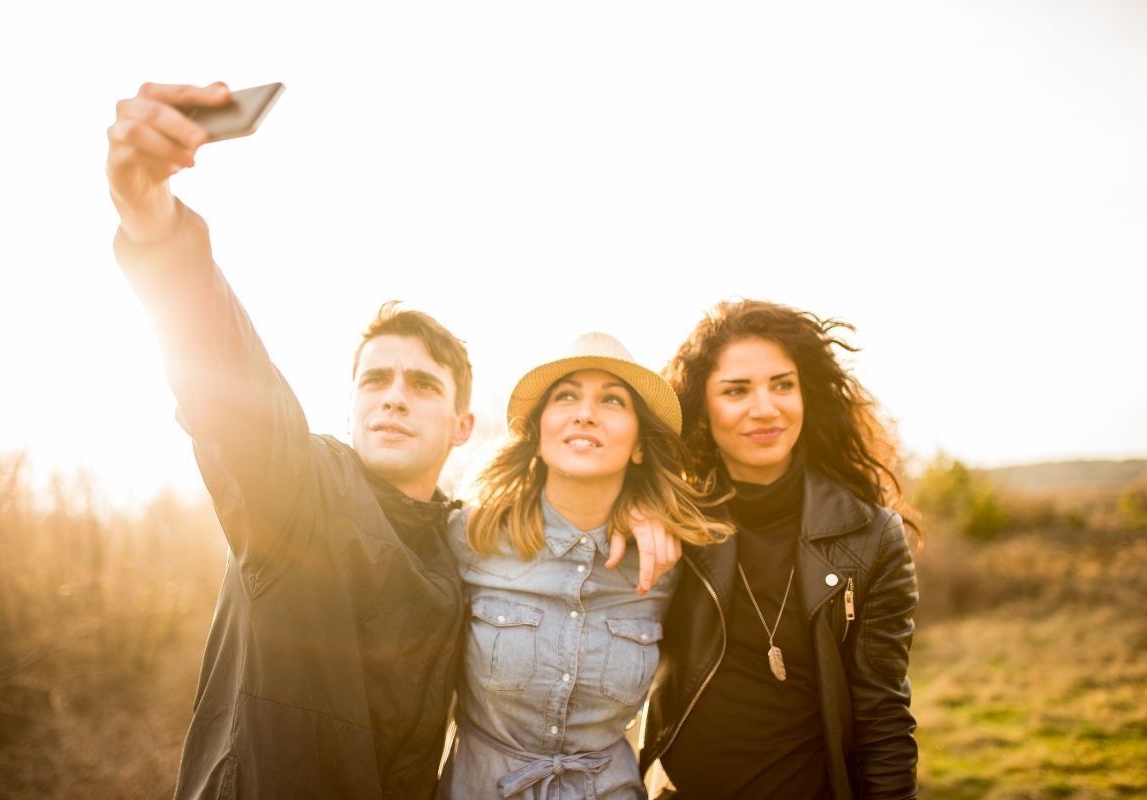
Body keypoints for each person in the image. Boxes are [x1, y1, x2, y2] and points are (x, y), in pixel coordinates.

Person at [106, 82, 677, 800]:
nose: (394, 397)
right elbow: (226, 378)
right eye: (375, 380)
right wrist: (155, 225)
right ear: (349, 408)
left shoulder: (459, 538)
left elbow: (557, 540)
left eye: (422, 384)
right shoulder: (296, 492)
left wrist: (632, 505)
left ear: (462, 426)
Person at [639, 299, 921, 799]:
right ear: (703, 408)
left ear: (805, 394)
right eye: (736, 390)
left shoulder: (872, 537)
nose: (765, 408)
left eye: (782, 384)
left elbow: (884, 721)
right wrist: (631, 508)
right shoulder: (675, 519)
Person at [437, 333, 732, 800]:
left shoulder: (669, 564)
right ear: (537, 435)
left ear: (638, 445)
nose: (586, 412)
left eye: (612, 400)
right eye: (567, 395)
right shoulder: (469, 536)